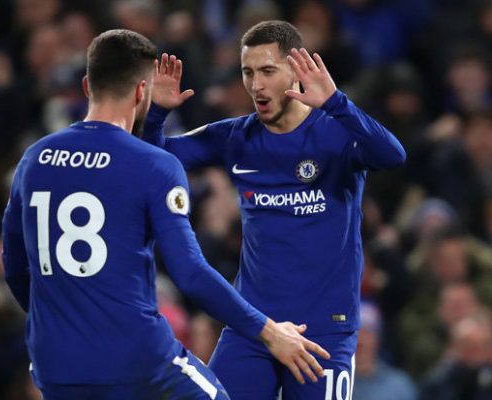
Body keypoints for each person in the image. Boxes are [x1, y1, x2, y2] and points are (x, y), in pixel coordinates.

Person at [1, 29, 330, 400]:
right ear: (142, 91)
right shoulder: (153, 164)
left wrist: (64, 324)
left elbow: (14, 266)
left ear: (87, 86)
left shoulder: (35, 159)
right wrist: (268, 331)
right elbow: (189, 273)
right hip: (137, 362)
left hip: (54, 364)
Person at [144, 20, 406, 399]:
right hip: (255, 328)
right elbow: (155, 159)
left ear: (296, 71)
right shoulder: (235, 136)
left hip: (324, 329)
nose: (256, 85)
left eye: (267, 71)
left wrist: (336, 102)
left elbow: (393, 156)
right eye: (248, 72)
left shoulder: (336, 130)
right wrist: (155, 114)